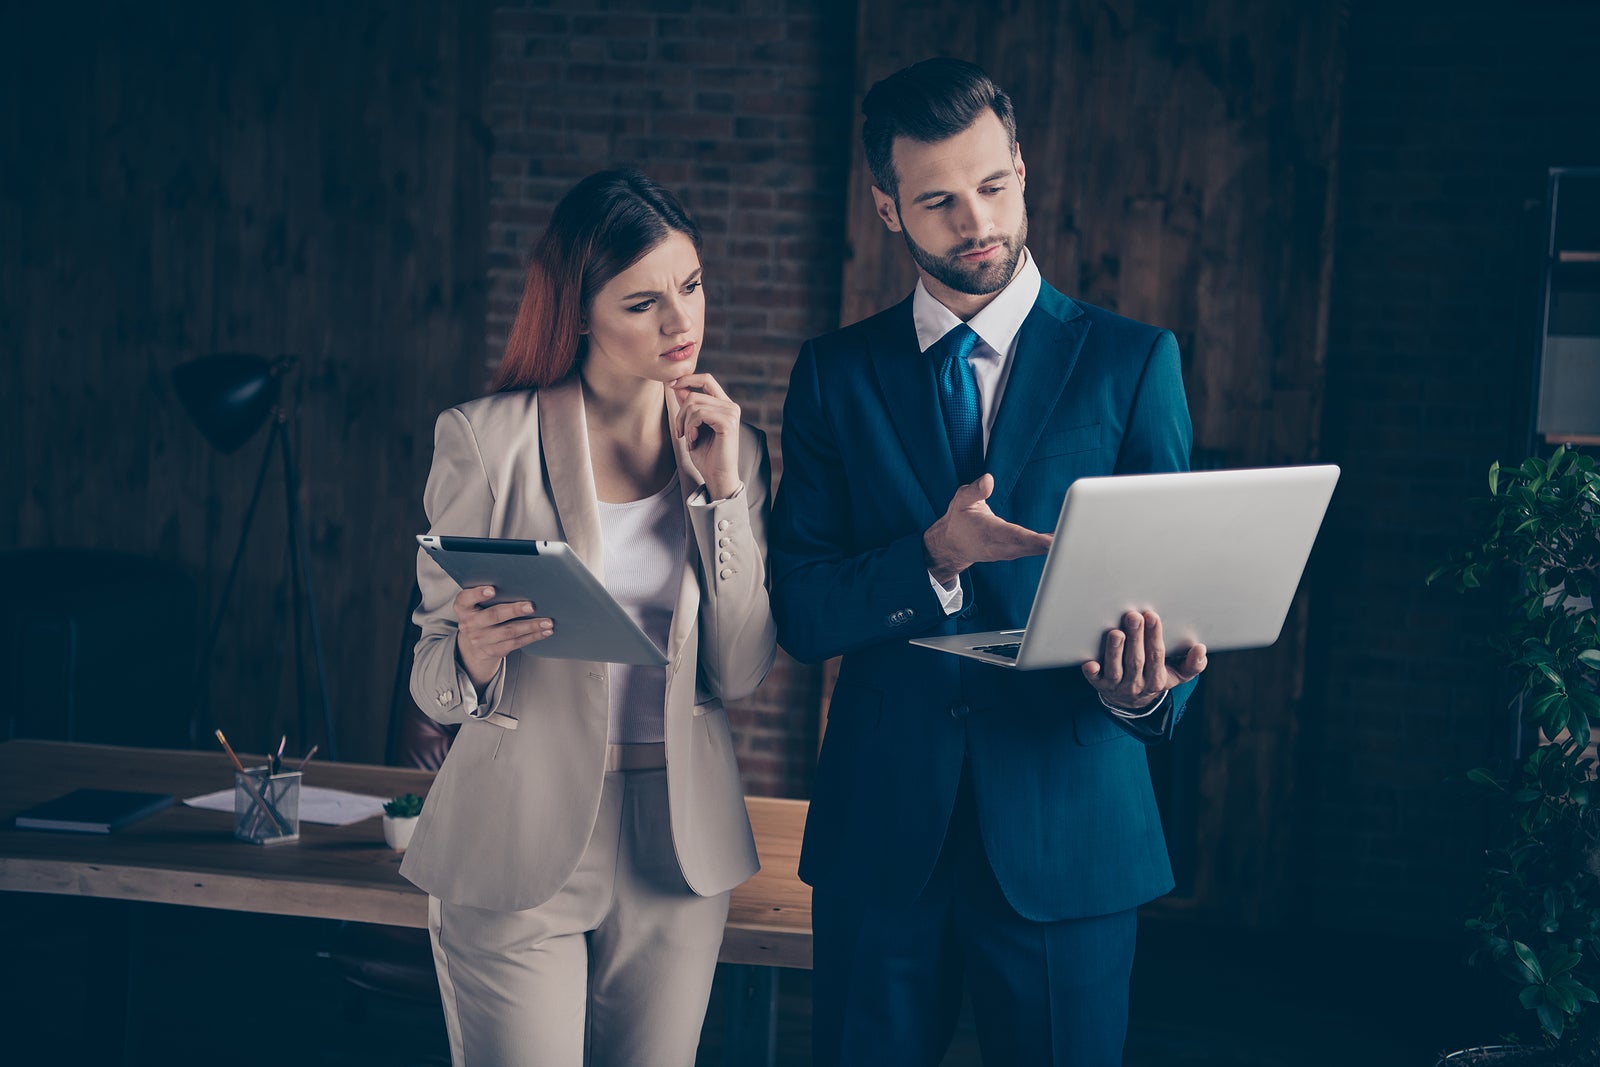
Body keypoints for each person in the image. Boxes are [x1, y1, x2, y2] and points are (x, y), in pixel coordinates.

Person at [769, 58, 1209, 1066]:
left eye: (992, 185)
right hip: (882, 839)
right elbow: (800, 608)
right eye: (936, 199)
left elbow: (1178, 603)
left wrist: (1144, 695)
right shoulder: (834, 376)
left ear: (1020, 164)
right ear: (885, 207)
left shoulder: (1131, 363)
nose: (975, 219)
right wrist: (930, 558)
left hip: (1073, 830)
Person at [399, 168, 776, 1067]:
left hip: (677, 844)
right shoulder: (486, 441)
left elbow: (743, 668)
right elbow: (431, 675)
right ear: (578, 313)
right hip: (516, 831)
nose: (682, 323)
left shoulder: (735, 449)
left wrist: (724, 495)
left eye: (690, 287)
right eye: (644, 302)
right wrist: (477, 660)